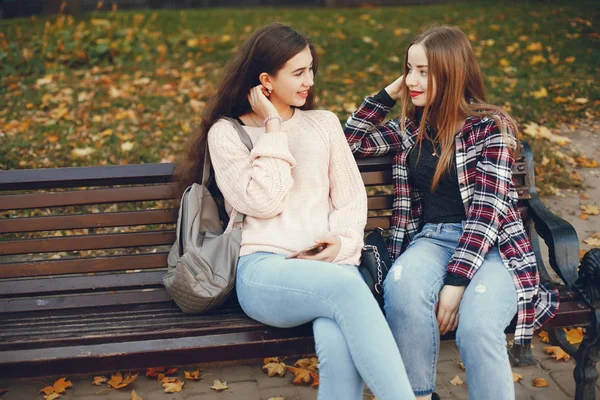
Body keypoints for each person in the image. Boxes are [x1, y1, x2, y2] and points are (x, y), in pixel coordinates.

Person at [175, 23, 415, 400]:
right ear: (266, 81)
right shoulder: (226, 134)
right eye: (298, 72)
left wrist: (342, 242)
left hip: (327, 268)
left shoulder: (323, 123)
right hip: (264, 271)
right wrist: (273, 126)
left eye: (311, 69)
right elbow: (264, 203)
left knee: (337, 340)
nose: (309, 80)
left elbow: (351, 199)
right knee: (351, 288)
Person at [344, 25, 559, 400]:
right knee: (402, 288)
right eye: (409, 69)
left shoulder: (491, 127)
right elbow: (348, 144)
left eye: (424, 71)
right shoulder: (412, 127)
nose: (412, 80)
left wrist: (455, 284)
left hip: (495, 246)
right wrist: (387, 95)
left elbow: (486, 213)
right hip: (433, 240)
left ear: (453, 71)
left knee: (476, 326)